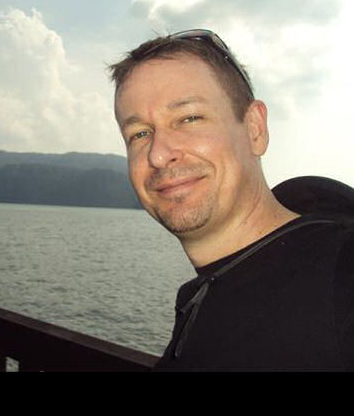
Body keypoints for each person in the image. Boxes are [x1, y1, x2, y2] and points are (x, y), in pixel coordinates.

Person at [109, 29, 354, 371]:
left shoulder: (341, 273)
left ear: (254, 129)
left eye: (189, 118)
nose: (158, 155)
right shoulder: (206, 294)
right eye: (139, 134)